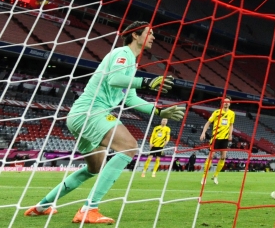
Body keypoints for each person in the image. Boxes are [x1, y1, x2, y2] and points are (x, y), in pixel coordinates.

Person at [24, 21, 183, 224]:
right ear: (135, 35)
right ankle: (89, 209)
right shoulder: (122, 54)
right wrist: (146, 82)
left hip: (80, 116)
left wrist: (159, 111)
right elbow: (114, 80)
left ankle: (42, 206)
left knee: (94, 169)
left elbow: (131, 99)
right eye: (149, 33)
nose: (153, 37)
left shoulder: (131, 63)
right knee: (129, 146)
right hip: (91, 112)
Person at [200, 97, 235, 186]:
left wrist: (230, 134)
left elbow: (231, 125)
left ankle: (215, 175)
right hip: (215, 138)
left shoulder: (232, 114)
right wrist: (203, 133)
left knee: (223, 157)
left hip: (225, 138)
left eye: (228, 102)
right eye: (225, 102)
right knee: (211, 156)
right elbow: (208, 123)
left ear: (230, 103)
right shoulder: (216, 112)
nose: (226, 103)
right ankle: (204, 176)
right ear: (222, 103)